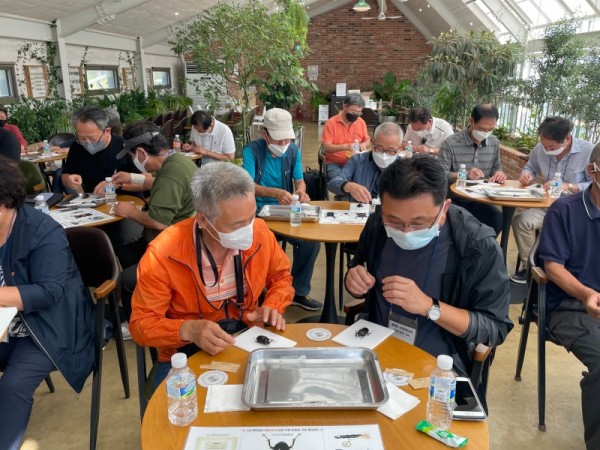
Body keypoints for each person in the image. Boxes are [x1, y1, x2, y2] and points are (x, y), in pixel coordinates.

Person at [345, 157, 512, 386]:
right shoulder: (377, 225)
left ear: (445, 208)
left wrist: (429, 307)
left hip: (439, 366)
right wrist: (353, 280)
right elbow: (359, 269)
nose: (405, 230)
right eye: (394, 220)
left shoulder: (476, 245)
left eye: (418, 223)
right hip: (374, 351)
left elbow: (494, 328)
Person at [130, 162, 294, 387]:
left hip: (247, 338)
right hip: (185, 352)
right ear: (203, 220)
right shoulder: (164, 254)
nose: (249, 229)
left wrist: (274, 305)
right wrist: (187, 329)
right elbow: (141, 325)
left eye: (251, 218)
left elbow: (281, 277)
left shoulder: (260, 233)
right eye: (237, 224)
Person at [0, 156, 95, 450]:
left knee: (13, 386)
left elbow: (49, 292)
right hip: (7, 323)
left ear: (6, 200)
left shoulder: (42, 230)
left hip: (48, 327)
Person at [537, 144, 600, 450]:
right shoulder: (566, 210)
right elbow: (552, 267)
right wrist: (588, 294)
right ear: (593, 172)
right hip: (569, 307)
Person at [112, 121, 197, 338]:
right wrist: (130, 178)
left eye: (132, 156)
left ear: (141, 152)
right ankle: (153, 298)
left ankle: (139, 321)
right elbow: (155, 182)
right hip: (178, 238)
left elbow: (159, 222)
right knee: (124, 251)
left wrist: (128, 211)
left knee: (128, 277)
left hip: (173, 247)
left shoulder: (171, 172)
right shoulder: (176, 161)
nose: (134, 161)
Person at [242, 108, 322, 311]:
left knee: (310, 243)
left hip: (286, 212)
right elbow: (247, 186)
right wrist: (275, 193)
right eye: (278, 141)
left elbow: (300, 181)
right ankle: (258, 292)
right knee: (258, 245)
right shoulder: (251, 151)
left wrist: (301, 192)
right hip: (258, 214)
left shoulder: (293, 151)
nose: (284, 145)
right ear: (264, 134)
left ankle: (298, 291)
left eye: (287, 139)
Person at [510, 116, 593, 284]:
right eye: (544, 145)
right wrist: (526, 175)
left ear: (567, 139)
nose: (547, 150)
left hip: (576, 209)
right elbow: (530, 167)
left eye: (552, 147)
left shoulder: (588, 152)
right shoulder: (541, 148)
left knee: (562, 234)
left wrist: (569, 186)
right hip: (547, 205)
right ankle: (531, 270)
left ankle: (565, 273)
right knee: (521, 222)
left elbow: (594, 184)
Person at [439, 104, 506, 235]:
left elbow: (496, 167)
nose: (485, 133)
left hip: (481, 198)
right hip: (455, 199)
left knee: (497, 218)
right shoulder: (450, 143)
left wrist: (499, 173)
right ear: (471, 121)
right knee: (463, 226)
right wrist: (463, 175)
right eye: (482, 128)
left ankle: (484, 250)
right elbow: (440, 174)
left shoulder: (494, 142)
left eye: (490, 129)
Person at [328, 122, 403, 203]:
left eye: (391, 150)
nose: (384, 155)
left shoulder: (405, 167)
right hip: (360, 211)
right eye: (379, 148)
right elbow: (333, 183)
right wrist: (348, 186)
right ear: (372, 143)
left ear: (399, 148)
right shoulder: (357, 160)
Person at [61, 106, 128, 194]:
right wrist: (68, 180)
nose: (88, 143)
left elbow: (144, 181)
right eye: (82, 138)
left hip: (125, 199)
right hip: (93, 199)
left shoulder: (124, 147)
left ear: (107, 131)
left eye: (93, 139)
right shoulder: (77, 147)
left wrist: (115, 185)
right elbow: (66, 174)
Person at [321, 94, 371, 182]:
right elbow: (326, 147)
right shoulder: (331, 123)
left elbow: (367, 140)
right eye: (353, 111)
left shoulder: (361, 122)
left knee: (367, 178)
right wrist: (345, 147)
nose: (356, 115)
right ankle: (344, 195)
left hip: (356, 162)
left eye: (359, 112)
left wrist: (364, 144)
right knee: (341, 181)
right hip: (335, 163)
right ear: (345, 107)